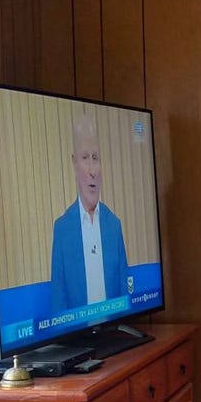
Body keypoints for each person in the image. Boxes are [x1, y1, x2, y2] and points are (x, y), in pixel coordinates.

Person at [48, 113, 128, 313]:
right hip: (77, 333)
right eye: (85, 158)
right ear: (74, 163)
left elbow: (125, 297)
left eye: (95, 158)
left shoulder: (114, 225)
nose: (92, 170)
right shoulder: (62, 229)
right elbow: (58, 304)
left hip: (114, 328)